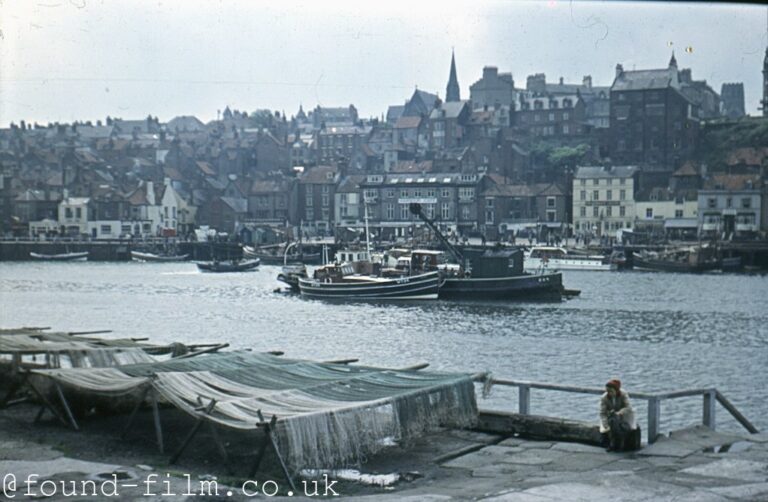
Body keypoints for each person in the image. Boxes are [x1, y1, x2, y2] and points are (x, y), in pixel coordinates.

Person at [599, 379, 636, 452]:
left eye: (611, 391)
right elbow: (602, 412)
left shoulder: (623, 394)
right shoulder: (604, 398)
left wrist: (619, 413)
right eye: (607, 391)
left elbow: (628, 407)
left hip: (623, 415)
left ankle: (620, 444)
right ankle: (613, 444)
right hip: (611, 416)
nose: (609, 393)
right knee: (612, 425)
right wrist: (605, 424)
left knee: (621, 427)